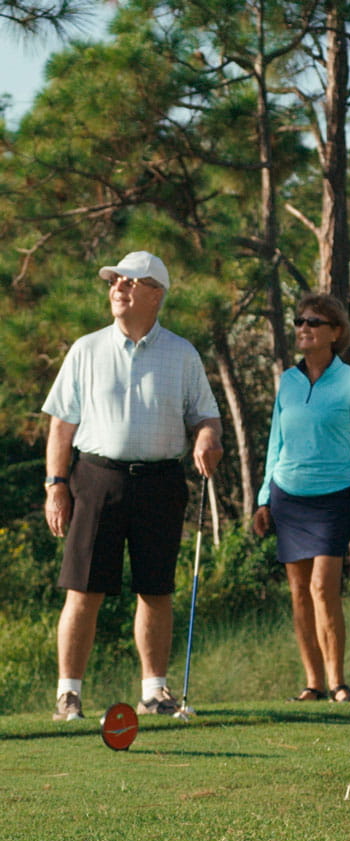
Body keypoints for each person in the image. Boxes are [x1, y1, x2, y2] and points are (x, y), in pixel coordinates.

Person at [42, 251, 223, 721]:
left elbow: (206, 416)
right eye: (114, 281)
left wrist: (207, 439)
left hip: (161, 482)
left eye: (129, 281)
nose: (117, 288)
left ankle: (155, 691)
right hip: (97, 479)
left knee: (155, 589)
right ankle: (69, 696)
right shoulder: (86, 349)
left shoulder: (182, 353)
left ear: (155, 293)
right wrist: (55, 484)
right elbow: (62, 426)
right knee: (83, 590)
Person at [252, 293, 350, 703]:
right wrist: (263, 498)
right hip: (289, 496)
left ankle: (339, 680)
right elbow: (276, 441)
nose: (303, 328)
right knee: (299, 592)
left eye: (313, 322)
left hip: (335, 498)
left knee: (324, 588)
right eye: (299, 322)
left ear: (335, 333)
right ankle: (313, 683)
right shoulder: (287, 381)